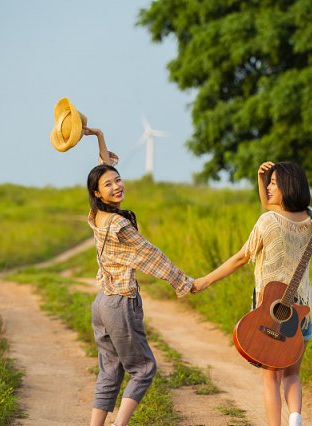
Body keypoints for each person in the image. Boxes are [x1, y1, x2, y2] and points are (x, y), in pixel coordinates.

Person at [82, 126, 200, 426]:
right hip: (121, 303)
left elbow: (103, 167)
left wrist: (98, 136)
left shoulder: (97, 215)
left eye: (118, 179)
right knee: (143, 369)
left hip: (102, 303)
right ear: (98, 192)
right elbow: (152, 256)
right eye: (109, 184)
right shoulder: (120, 226)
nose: (117, 186)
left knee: (110, 370)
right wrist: (183, 282)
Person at [193, 161, 312, 426]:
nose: (269, 187)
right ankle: (295, 417)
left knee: (271, 375)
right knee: (293, 373)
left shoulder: (268, 222)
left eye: (274, 183)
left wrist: (206, 280)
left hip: (272, 310)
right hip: (303, 310)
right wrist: (261, 180)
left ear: (288, 185)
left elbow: (241, 258)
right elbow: (272, 207)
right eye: (269, 183)